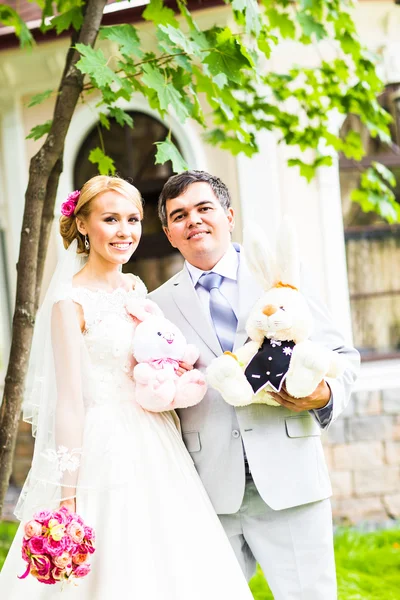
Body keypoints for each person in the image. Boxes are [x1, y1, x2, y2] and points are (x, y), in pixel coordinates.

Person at [0, 175, 254, 599]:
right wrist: (69, 496)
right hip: (104, 445)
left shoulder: (135, 287)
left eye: (133, 219)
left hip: (157, 437)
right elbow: (69, 402)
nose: (125, 231)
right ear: (82, 225)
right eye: (110, 219)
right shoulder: (70, 302)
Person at [149, 170, 360, 600]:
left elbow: (343, 358)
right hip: (208, 493)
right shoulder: (156, 307)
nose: (195, 221)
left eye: (204, 208)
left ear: (228, 214)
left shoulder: (282, 277)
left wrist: (322, 397)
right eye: (180, 215)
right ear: (170, 233)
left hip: (291, 483)